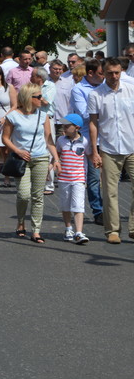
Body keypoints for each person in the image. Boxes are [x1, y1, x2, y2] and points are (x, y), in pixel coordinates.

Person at [2, 84, 59, 243]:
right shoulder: (13, 115)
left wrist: (56, 158)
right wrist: (18, 151)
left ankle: (36, 231)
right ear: (29, 98)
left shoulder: (43, 116)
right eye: (39, 97)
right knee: (24, 194)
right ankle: (21, 222)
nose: (42, 99)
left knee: (38, 196)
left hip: (41, 158)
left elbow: (49, 139)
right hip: (21, 160)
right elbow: (5, 138)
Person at [87, 57, 134, 244]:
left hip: (132, 146)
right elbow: (93, 123)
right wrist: (94, 150)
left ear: (121, 71)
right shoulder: (96, 94)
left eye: (117, 72)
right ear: (103, 73)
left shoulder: (131, 90)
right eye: (110, 73)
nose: (114, 76)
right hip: (109, 148)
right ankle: (112, 230)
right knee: (110, 191)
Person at [71, 58, 104, 226]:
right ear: (90, 73)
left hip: (109, 138)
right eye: (101, 73)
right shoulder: (79, 89)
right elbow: (85, 114)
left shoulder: (105, 86)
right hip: (89, 138)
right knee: (93, 177)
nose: (104, 76)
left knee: (110, 178)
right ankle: (98, 211)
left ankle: (110, 210)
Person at [56, 114, 89, 244]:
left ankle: (79, 232)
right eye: (63, 125)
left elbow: (89, 155)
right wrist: (53, 164)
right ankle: (68, 228)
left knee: (78, 205)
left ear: (76, 127)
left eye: (67, 126)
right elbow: (57, 155)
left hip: (79, 177)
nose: (64, 128)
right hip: (64, 178)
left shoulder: (85, 141)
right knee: (65, 205)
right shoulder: (61, 140)